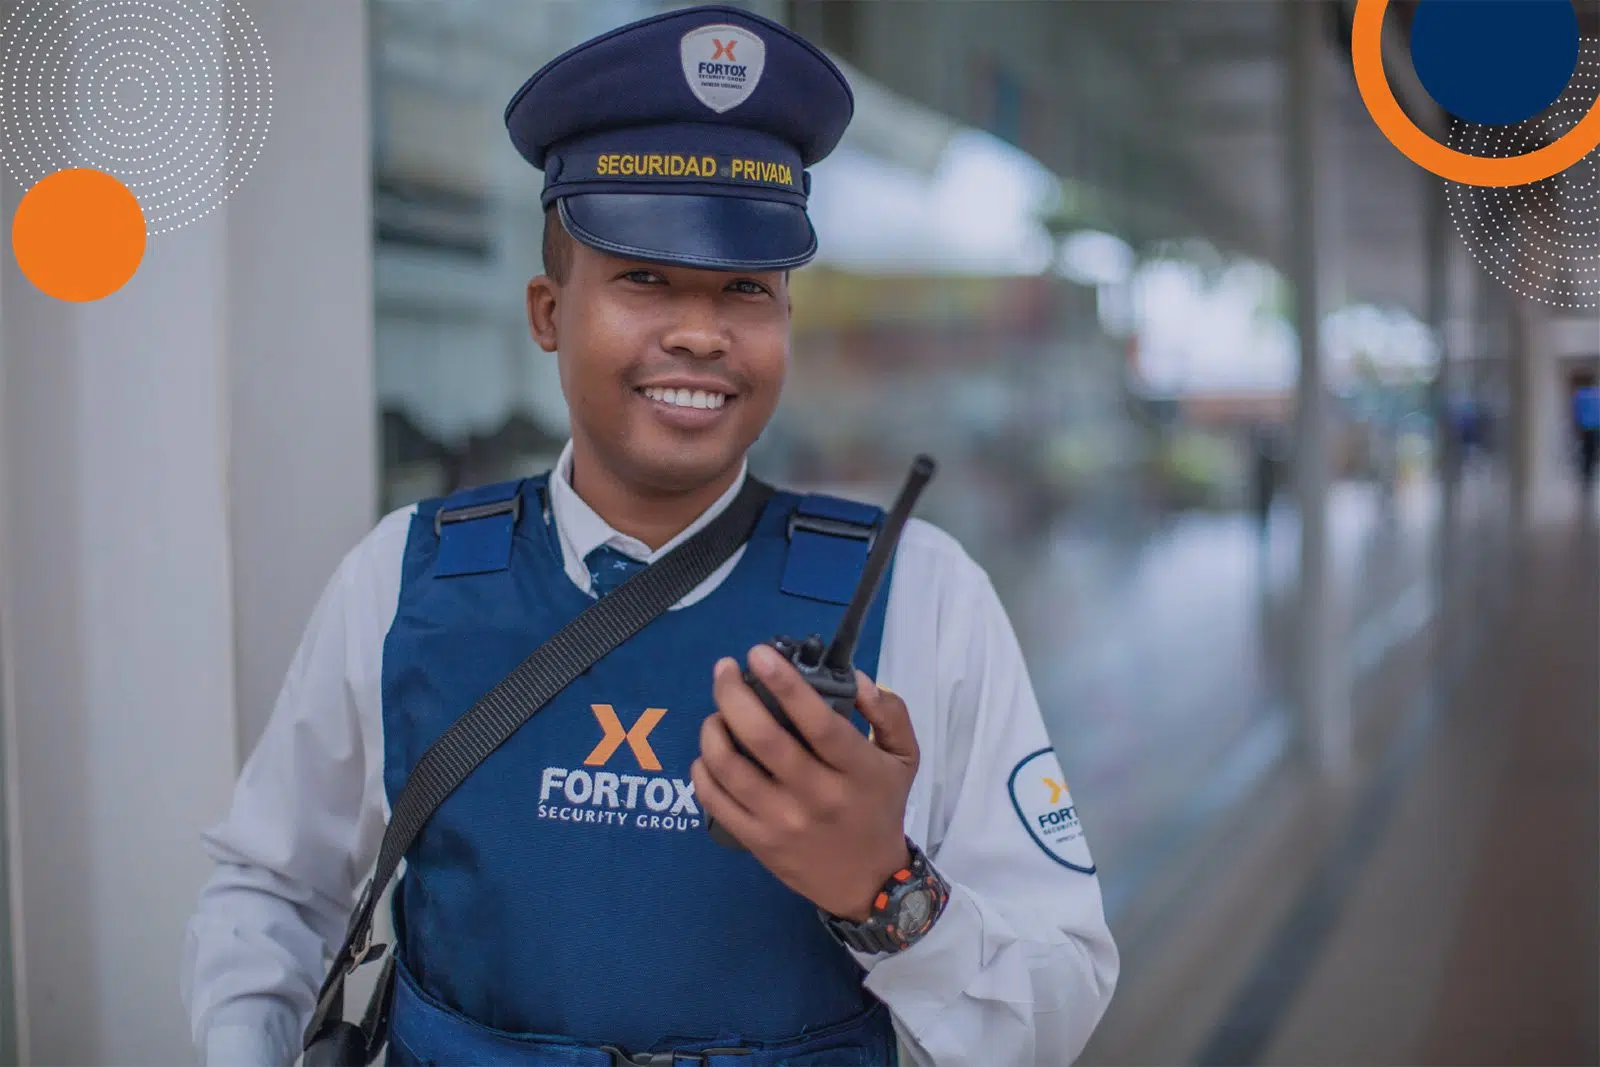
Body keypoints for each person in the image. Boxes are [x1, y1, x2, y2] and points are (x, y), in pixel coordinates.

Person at [180, 6, 1119, 1066]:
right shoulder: (405, 576)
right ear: (546, 310)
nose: (700, 330)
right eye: (643, 277)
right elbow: (273, 889)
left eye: (745, 290)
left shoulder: (921, 592)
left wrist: (886, 890)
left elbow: (1060, 993)